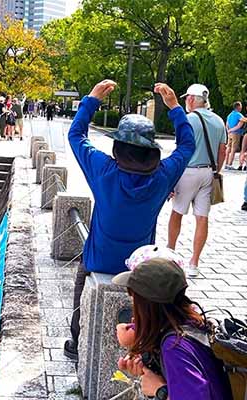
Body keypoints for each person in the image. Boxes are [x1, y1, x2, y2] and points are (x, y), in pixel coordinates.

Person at [63, 80, 195, 361]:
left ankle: (76, 341)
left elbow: (76, 136)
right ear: (152, 149)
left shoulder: (103, 169)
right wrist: (174, 107)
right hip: (138, 268)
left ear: (118, 147)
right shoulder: (163, 176)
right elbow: (187, 145)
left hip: (99, 260)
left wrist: (92, 100)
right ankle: (141, 346)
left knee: (80, 283)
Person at [113, 257, 232, 399]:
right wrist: (151, 363)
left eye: (134, 300)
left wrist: (159, 389)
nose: (133, 307)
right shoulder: (192, 323)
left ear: (147, 307)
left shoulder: (174, 347)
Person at [167, 84, 227, 278]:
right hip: (208, 172)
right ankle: (194, 263)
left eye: (187, 98)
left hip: (188, 172)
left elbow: (180, 150)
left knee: (177, 213)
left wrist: (172, 179)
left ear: (192, 99)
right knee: (202, 217)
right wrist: (215, 169)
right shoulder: (219, 120)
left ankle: (171, 254)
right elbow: (222, 150)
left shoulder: (187, 120)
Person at [225, 101, 245, 170]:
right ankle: (230, 164)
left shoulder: (229, 115)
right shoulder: (238, 114)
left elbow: (227, 124)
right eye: (241, 107)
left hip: (229, 134)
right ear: (238, 107)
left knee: (228, 148)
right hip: (236, 133)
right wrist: (232, 130)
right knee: (233, 149)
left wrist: (228, 131)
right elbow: (239, 125)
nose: (241, 108)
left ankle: (226, 164)